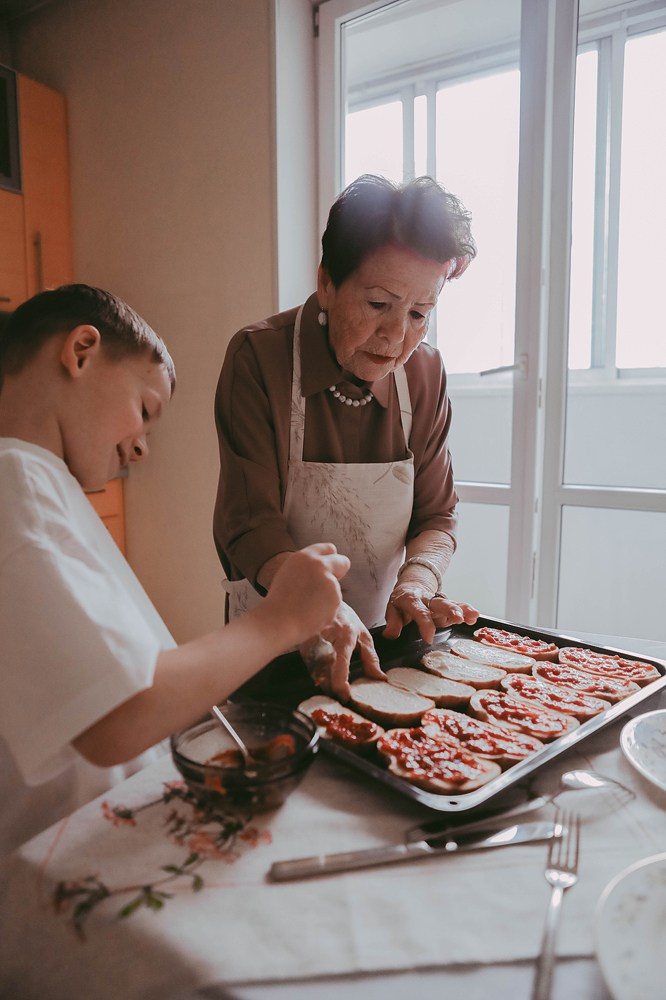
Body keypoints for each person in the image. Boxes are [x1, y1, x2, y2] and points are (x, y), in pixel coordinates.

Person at [0, 284, 349, 855]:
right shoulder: (17, 482)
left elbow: (132, 675)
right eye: (144, 411)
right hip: (61, 856)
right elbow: (116, 717)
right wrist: (279, 620)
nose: (140, 448)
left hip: (105, 834)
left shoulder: (40, 485)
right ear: (81, 351)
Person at [214, 174, 479, 702]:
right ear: (327, 283)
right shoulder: (258, 358)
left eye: (420, 313)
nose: (396, 335)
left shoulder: (424, 373)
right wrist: (313, 601)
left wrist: (419, 582)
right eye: (379, 303)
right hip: (270, 642)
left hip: (385, 641)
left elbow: (437, 516)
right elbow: (249, 525)